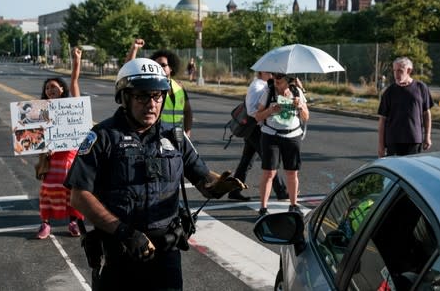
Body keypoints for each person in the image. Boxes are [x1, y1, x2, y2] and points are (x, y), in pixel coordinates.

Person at [64, 58, 246, 291]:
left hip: (166, 253)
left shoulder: (175, 137)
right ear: (125, 98)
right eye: (142, 96)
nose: (151, 104)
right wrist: (125, 233)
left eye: (157, 96)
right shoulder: (102, 137)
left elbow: (203, 179)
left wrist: (219, 184)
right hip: (120, 250)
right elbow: (79, 196)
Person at [36, 47, 84, 239]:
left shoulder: (71, 105)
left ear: (62, 89)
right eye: (47, 88)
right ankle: (45, 223)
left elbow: (74, 81)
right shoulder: (40, 111)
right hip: (51, 158)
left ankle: (73, 222)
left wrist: (76, 60)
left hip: (69, 156)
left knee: (71, 190)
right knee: (48, 191)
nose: (50, 90)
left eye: (54, 87)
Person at [228, 71, 289, 201]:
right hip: (255, 129)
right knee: (270, 161)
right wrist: (265, 113)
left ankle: (234, 191)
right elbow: (251, 110)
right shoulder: (257, 86)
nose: (272, 74)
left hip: (255, 129)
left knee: (246, 162)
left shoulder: (265, 85)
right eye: (269, 71)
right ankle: (281, 191)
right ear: (262, 72)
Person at [255, 73, 310, 216]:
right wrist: (270, 110)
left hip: (292, 136)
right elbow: (257, 116)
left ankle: (293, 205)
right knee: (269, 172)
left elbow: (306, 117)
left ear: (288, 81)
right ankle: (263, 208)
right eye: (275, 81)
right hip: (271, 135)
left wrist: (300, 106)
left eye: (280, 81)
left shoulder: (296, 92)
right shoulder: (268, 92)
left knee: (292, 172)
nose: (276, 84)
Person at [126, 39, 193, 137]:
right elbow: (129, 71)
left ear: (171, 68)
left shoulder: (179, 87)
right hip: (157, 137)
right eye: (157, 65)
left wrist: (187, 133)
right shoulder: (151, 86)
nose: (160, 67)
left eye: (163, 65)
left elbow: (188, 111)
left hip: (178, 138)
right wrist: (134, 48)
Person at [378, 57, 434, 158]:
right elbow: (382, 120)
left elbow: (426, 113)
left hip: (414, 140)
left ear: (409, 70)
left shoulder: (421, 88)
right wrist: (381, 146)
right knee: (394, 171)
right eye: (394, 70)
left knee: (410, 171)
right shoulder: (389, 92)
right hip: (393, 141)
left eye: (400, 71)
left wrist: (427, 136)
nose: (396, 74)